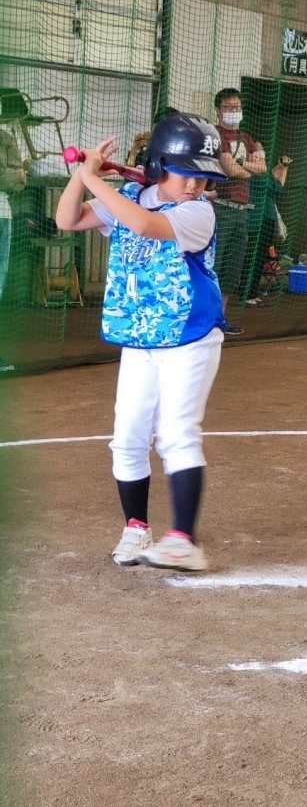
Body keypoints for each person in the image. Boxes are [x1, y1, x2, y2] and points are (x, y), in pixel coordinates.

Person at [55, 112, 228, 571]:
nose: (194, 184)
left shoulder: (197, 211)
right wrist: (82, 175)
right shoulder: (128, 195)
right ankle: (136, 527)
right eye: (184, 172)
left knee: (176, 432)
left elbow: (146, 226)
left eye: (202, 176)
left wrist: (94, 178)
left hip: (190, 335)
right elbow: (67, 219)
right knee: (127, 436)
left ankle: (183, 540)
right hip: (142, 335)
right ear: (156, 166)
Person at [213, 88, 267, 334]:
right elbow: (229, 169)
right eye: (228, 107)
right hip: (220, 208)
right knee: (214, 264)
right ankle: (206, 320)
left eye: (237, 107)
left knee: (231, 268)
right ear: (218, 111)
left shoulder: (246, 138)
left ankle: (220, 319)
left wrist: (242, 165)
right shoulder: (215, 134)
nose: (233, 111)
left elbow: (262, 167)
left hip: (242, 210)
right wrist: (246, 168)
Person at [244, 155, 291, 307]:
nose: (261, 158)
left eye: (263, 155)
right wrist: (284, 169)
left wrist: (278, 173)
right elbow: (277, 189)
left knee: (259, 257)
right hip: (259, 219)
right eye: (257, 155)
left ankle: (252, 293)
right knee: (254, 257)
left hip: (266, 219)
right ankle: (248, 295)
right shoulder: (254, 174)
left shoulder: (262, 174)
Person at [0, 129, 26, 371]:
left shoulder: (5, 137)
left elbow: (19, 180)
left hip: (3, 215)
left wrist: (7, 173)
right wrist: (6, 173)